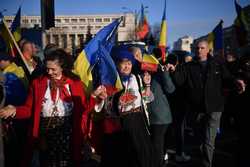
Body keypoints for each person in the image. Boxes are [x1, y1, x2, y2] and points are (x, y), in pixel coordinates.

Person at [0, 48, 107, 167]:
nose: (49, 72)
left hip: (68, 135)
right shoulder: (38, 83)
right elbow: (29, 109)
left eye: (53, 69)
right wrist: (15, 110)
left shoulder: (74, 83)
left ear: (62, 67)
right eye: (47, 69)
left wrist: (95, 97)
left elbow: (83, 109)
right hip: (45, 136)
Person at [166, 40, 245, 167]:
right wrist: (173, 71)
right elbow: (179, 81)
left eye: (202, 48)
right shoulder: (189, 66)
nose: (199, 50)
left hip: (215, 107)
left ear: (208, 50)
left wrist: (236, 81)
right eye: (197, 48)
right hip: (197, 108)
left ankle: (206, 164)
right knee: (199, 139)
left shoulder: (217, 64)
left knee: (209, 140)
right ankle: (204, 156)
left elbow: (227, 79)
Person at [100, 50, 154, 167]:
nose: (127, 66)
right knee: (120, 157)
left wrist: (148, 85)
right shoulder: (110, 80)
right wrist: (102, 97)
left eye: (129, 63)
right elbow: (105, 106)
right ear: (117, 64)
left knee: (140, 155)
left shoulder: (137, 78)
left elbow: (146, 98)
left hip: (136, 121)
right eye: (123, 63)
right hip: (118, 123)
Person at [148, 50, 176, 167]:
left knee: (157, 144)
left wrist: (165, 73)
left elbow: (170, 89)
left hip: (160, 116)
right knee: (156, 143)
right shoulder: (143, 72)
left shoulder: (161, 71)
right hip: (150, 115)